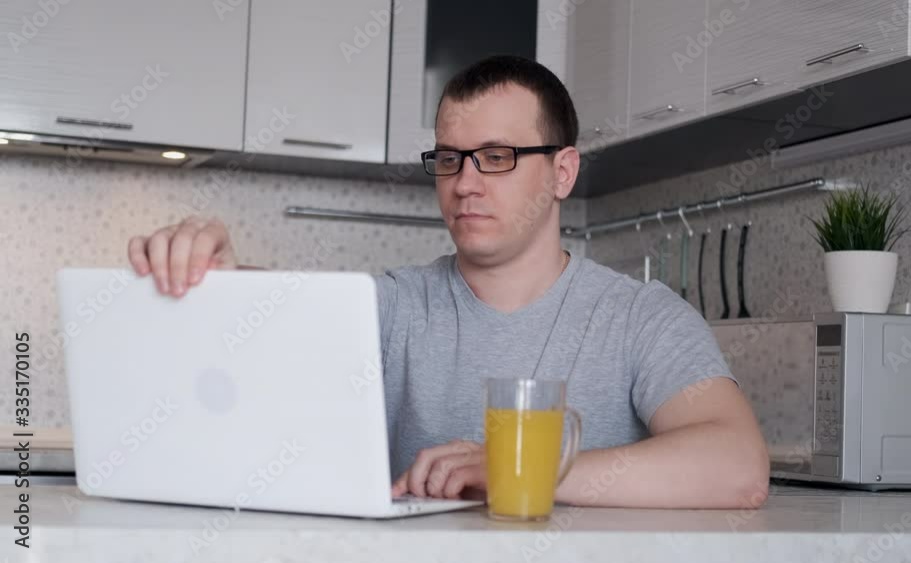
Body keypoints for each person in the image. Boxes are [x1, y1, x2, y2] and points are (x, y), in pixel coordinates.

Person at [127, 55, 769, 509]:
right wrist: (219, 280)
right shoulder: (393, 307)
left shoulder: (640, 317)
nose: (464, 183)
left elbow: (738, 466)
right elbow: (276, 320)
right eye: (449, 159)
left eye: (496, 157)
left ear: (562, 173)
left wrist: (518, 470)